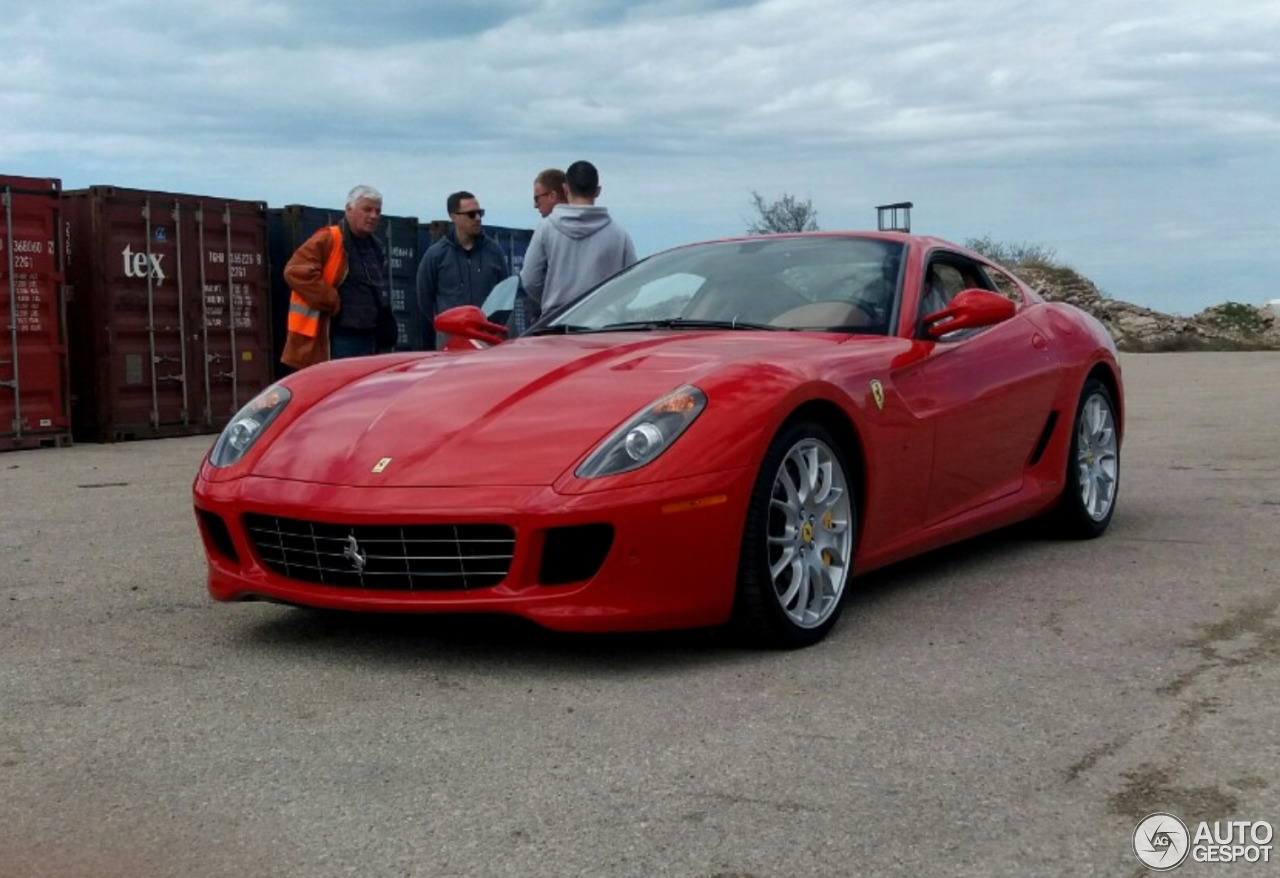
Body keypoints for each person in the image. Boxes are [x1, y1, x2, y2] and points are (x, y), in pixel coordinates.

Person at [281, 185, 396, 369]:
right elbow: (295, 271)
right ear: (349, 209)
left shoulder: (376, 246)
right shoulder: (329, 239)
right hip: (338, 336)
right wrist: (330, 300)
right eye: (367, 209)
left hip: (370, 336)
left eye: (378, 211)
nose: (374, 216)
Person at [520, 160, 637, 314]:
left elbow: (529, 280)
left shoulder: (546, 228)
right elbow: (633, 285)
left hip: (557, 323)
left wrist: (550, 300)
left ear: (565, 188)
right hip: (604, 325)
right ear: (598, 191)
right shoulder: (619, 235)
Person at [417, 190, 510, 349]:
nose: (478, 219)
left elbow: (505, 294)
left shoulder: (494, 253)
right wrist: (444, 325)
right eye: (471, 214)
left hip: (487, 338)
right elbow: (424, 297)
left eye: (480, 213)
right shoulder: (436, 255)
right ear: (454, 216)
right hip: (450, 341)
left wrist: (494, 327)